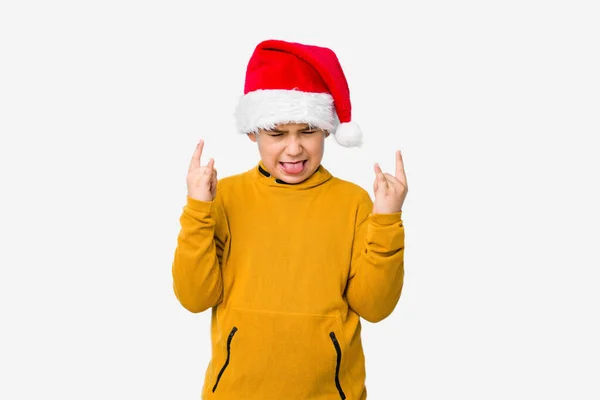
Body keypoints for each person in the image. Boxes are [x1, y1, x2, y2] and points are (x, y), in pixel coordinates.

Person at [171, 39, 408, 400]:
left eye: (308, 131)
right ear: (254, 132)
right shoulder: (225, 199)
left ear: (326, 129)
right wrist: (198, 210)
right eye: (277, 133)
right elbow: (194, 297)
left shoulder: (354, 203)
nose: (294, 148)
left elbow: (374, 307)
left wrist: (387, 220)